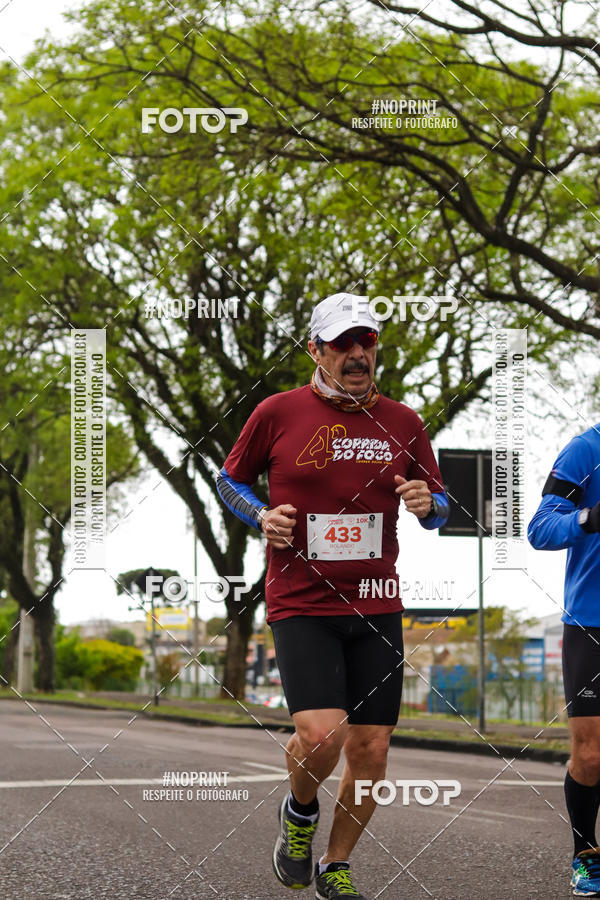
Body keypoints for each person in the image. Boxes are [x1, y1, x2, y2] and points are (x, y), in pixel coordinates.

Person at [216, 292, 449, 900]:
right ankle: (298, 812)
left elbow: (439, 503)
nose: (356, 354)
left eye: (366, 342)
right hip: (303, 603)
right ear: (315, 350)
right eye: (342, 343)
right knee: (323, 735)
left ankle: (336, 865)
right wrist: (259, 516)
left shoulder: (403, 422)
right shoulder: (277, 412)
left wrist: (429, 505)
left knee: (371, 749)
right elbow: (230, 481)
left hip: (376, 603)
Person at [528, 424, 600, 897]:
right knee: (592, 754)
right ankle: (585, 855)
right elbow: (540, 528)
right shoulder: (587, 449)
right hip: (592, 624)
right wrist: (588, 517)